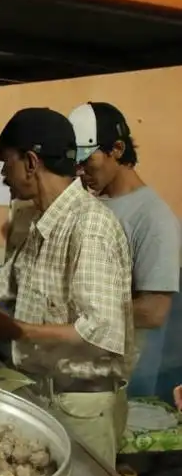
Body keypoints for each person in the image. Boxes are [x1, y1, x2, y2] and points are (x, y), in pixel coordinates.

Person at [0, 107, 134, 467]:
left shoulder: (90, 227)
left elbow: (102, 330)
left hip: (79, 410)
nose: (3, 174)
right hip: (42, 396)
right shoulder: (42, 224)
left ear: (31, 162)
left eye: (6, 161)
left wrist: (19, 329)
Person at [68, 102, 180, 342]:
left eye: (86, 160)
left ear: (117, 149)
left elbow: (153, 312)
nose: (80, 171)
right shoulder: (90, 205)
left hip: (119, 364)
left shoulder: (154, 218)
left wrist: (72, 313)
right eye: (76, 163)